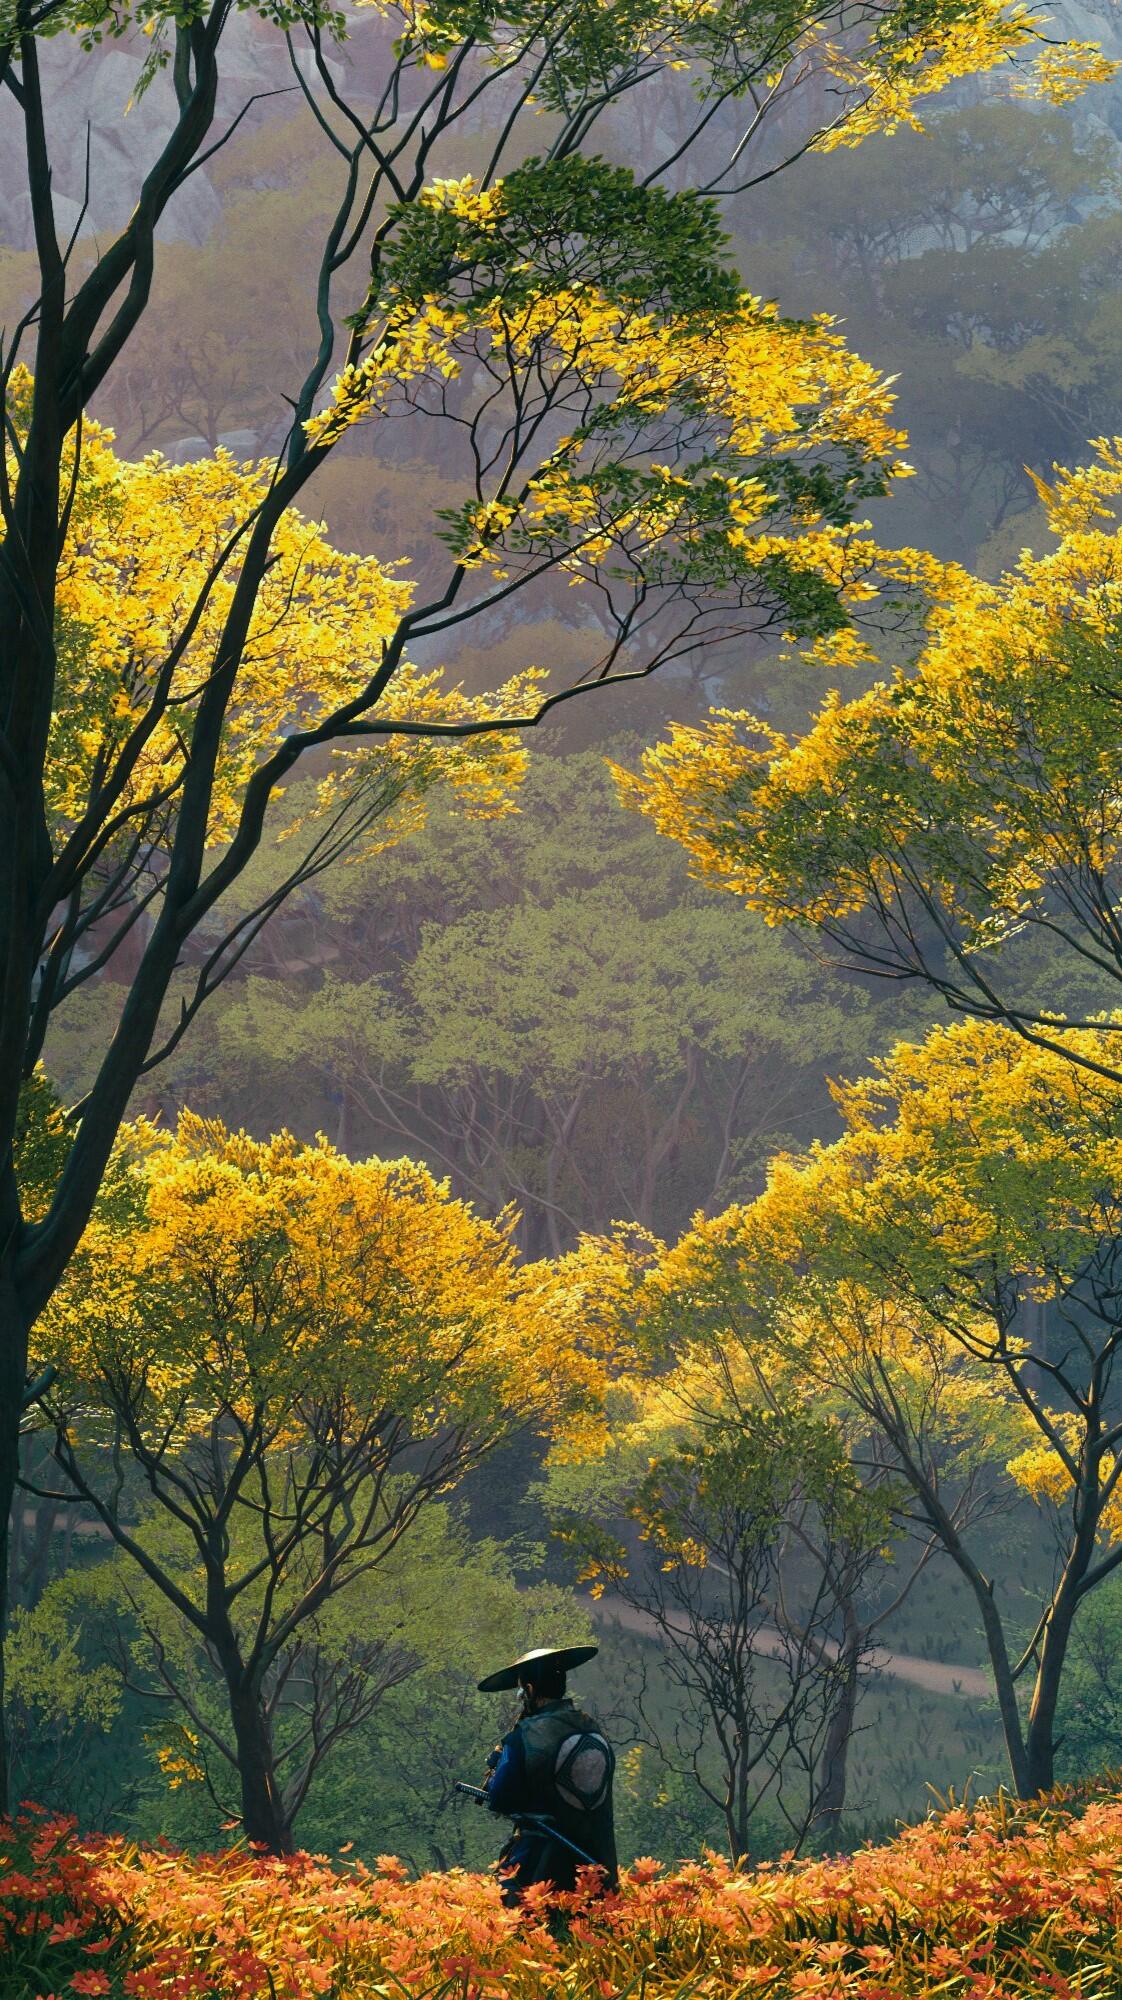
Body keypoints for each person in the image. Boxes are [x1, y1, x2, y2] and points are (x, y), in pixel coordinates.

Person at [478, 1643, 618, 1906]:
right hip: (597, 1867)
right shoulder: (594, 1729)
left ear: (529, 1690)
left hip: (538, 1871)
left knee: (526, 1938)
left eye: (521, 1690)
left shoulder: (524, 1736)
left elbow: (500, 1798)